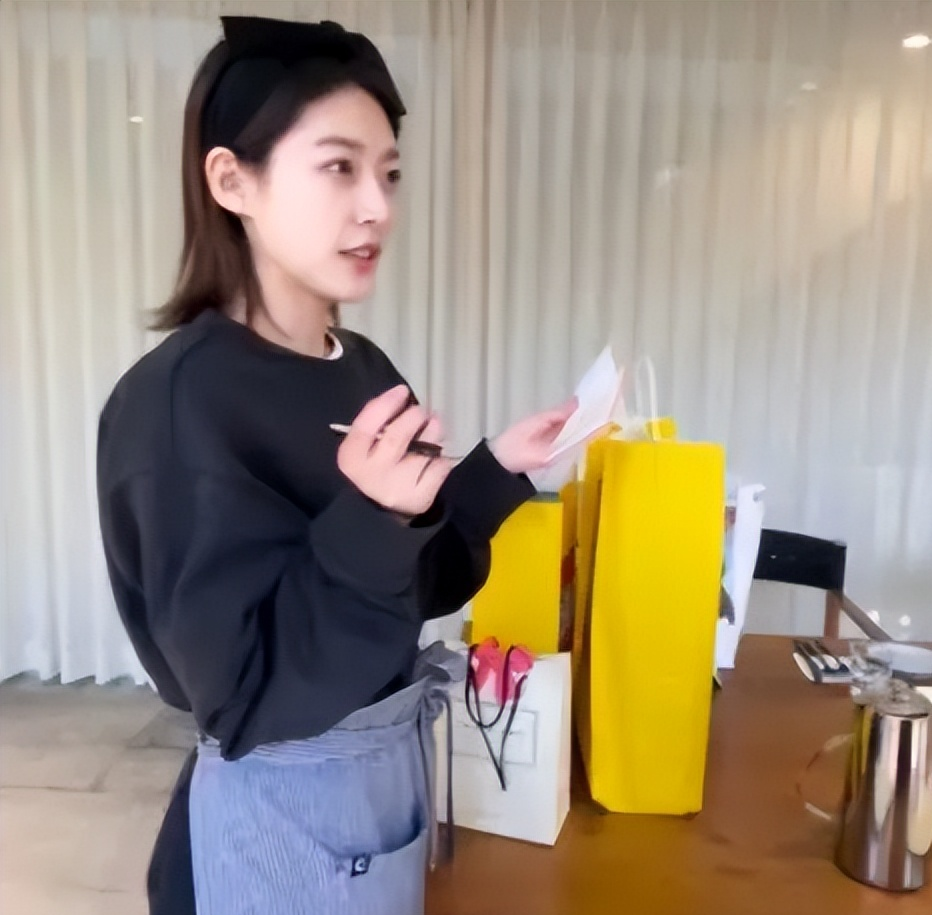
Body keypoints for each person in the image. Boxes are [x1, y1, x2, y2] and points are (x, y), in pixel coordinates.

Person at [96, 16, 576, 915]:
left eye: (388, 173)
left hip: (380, 785)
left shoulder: (362, 366)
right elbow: (243, 694)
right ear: (232, 181)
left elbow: (415, 586)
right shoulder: (176, 405)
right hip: (271, 822)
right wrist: (374, 519)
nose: (378, 207)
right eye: (338, 167)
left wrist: (492, 472)